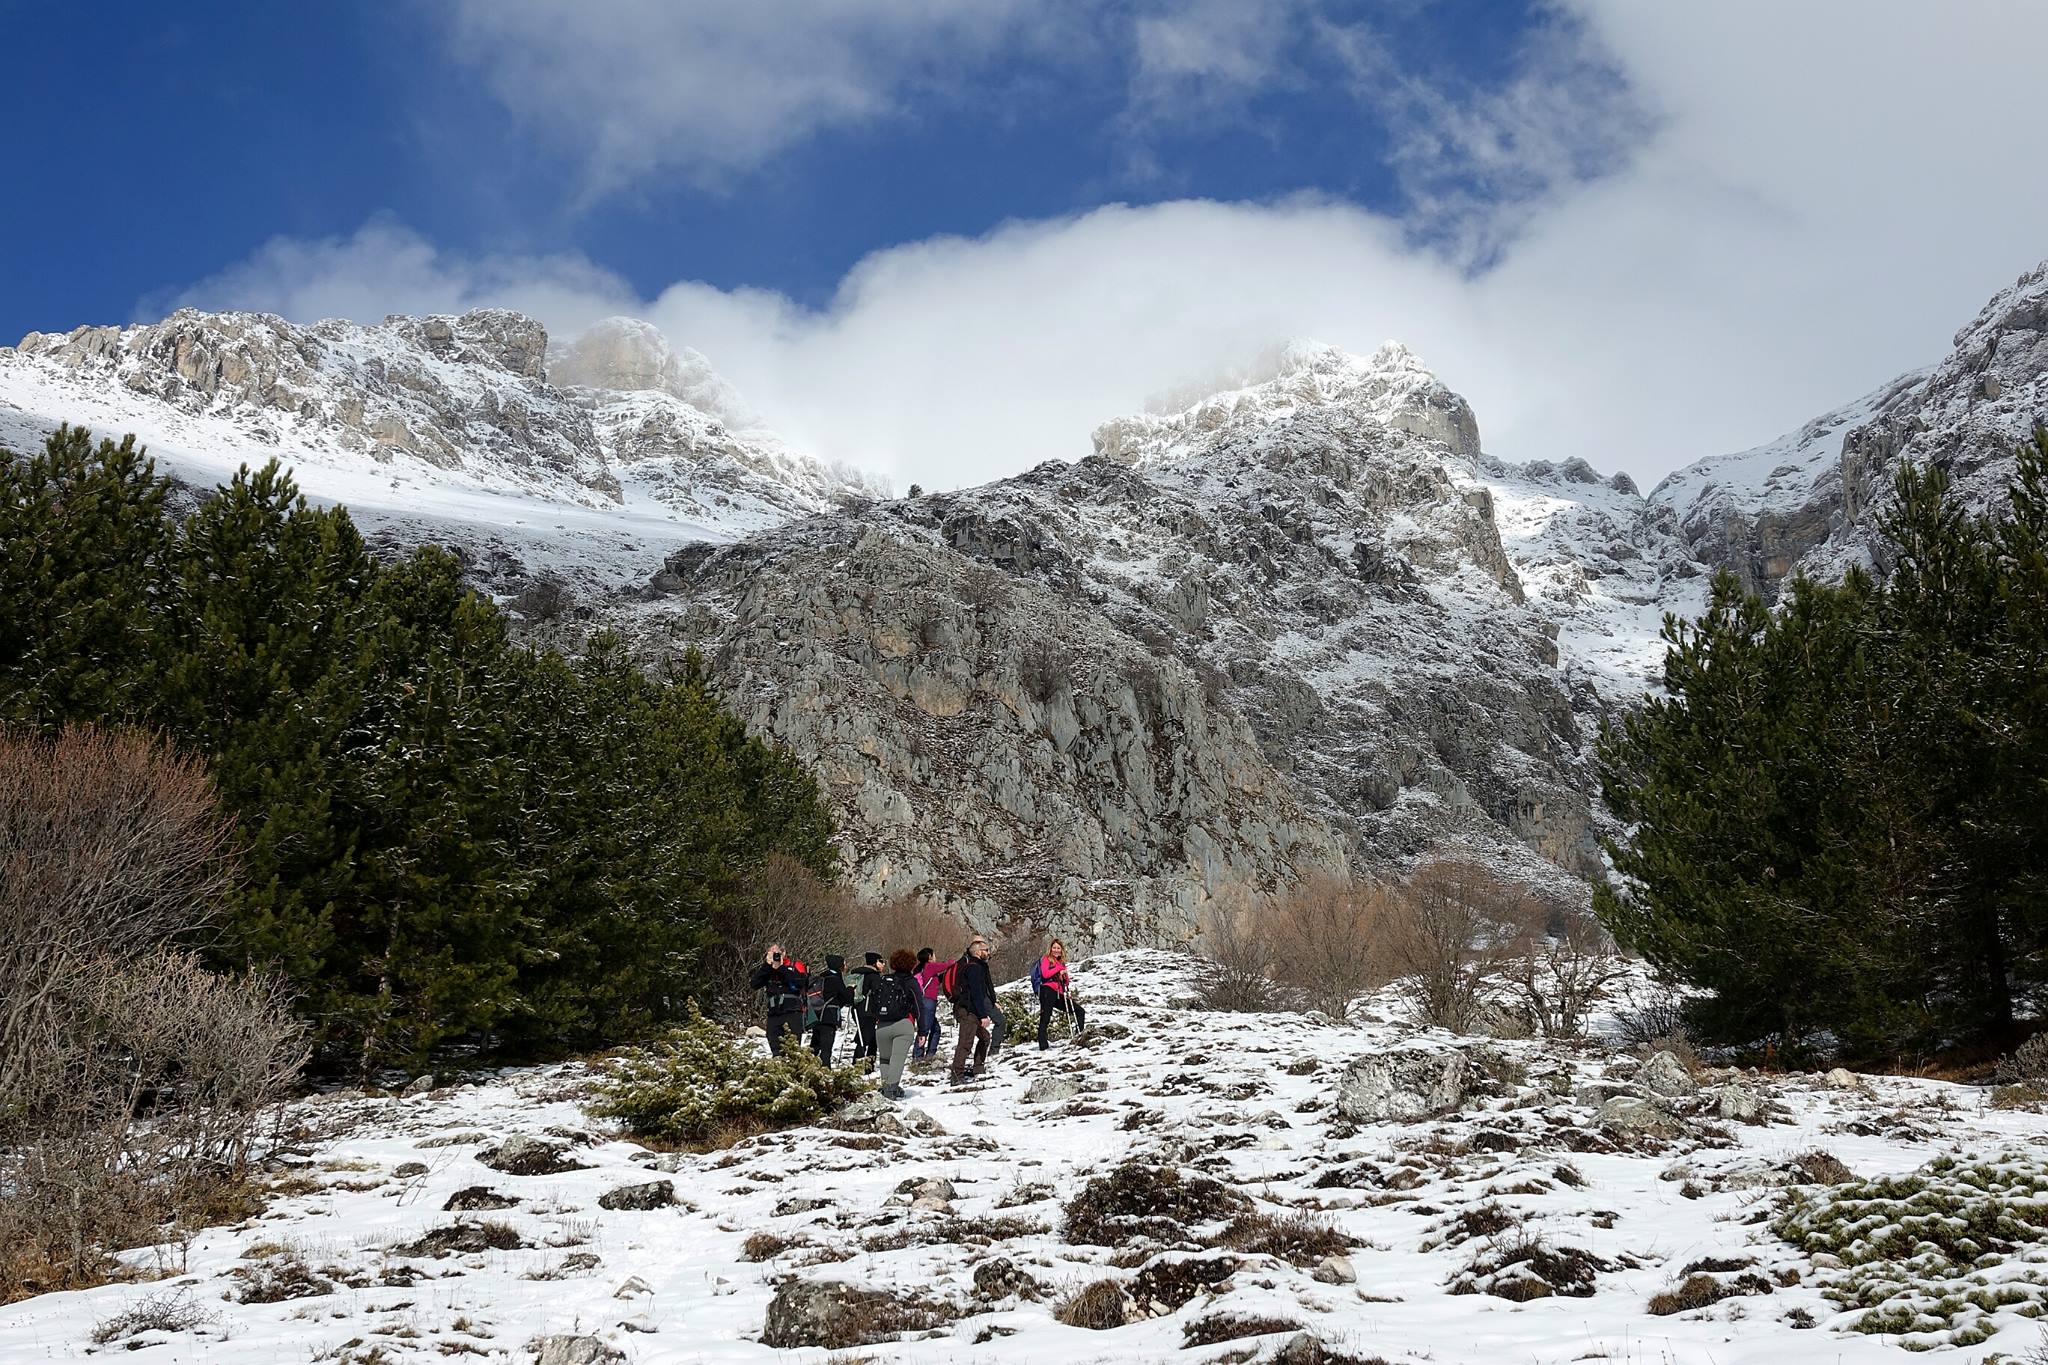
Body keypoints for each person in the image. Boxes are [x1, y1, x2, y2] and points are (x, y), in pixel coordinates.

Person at [872, 948, 923, 1100]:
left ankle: (886, 1088)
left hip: (882, 1026)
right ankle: (891, 1090)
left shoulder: (884, 980)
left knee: (885, 1059)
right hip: (904, 1024)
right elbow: (919, 1006)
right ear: (911, 964)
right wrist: (922, 1030)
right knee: (898, 1059)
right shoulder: (911, 982)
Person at [947, 935, 999, 1085]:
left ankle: (978, 1068)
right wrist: (983, 1015)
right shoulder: (974, 968)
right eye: (986, 950)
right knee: (965, 1042)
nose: (988, 953)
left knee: (984, 1038)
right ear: (978, 952)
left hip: (971, 1010)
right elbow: (976, 993)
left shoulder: (976, 967)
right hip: (968, 1010)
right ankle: (957, 1076)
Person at [748, 944, 808, 1057]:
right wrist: (767, 965)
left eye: (777, 953)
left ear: (783, 953)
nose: (775, 956)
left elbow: (800, 982)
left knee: (793, 1049)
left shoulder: (795, 965)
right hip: (774, 1013)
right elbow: (754, 984)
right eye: (771, 953)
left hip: (792, 1011)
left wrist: (780, 967)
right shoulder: (768, 969)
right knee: (775, 1047)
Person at [1036, 938, 1087, 1048]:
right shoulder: (1046, 959)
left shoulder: (1061, 963)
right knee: (1045, 1017)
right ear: (1050, 949)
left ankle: (1079, 1036)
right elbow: (1045, 974)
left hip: (1058, 993)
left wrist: (1063, 975)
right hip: (1047, 991)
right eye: (1054, 948)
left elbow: (1066, 981)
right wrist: (1059, 968)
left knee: (1079, 1011)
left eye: (1058, 948)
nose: (1056, 950)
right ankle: (1043, 1046)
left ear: (1061, 950)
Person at [808, 954, 855, 1065]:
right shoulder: (836, 980)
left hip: (817, 1015)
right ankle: (825, 1070)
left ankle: (807, 1068)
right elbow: (847, 999)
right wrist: (850, 990)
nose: (845, 966)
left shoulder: (822, 977)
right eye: (844, 963)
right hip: (829, 1018)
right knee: (826, 1048)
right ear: (839, 966)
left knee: (815, 1046)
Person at [849, 951, 883, 1066]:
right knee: (866, 1038)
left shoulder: (859, 974)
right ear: (875, 963)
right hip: (869, 1011)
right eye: (881, 961)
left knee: (868, 1036)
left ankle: (866, 1064)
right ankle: (860, 1065)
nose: (883, 964)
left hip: (857, 1009)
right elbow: (879, 994)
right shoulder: (874, 976)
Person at [913, 947, 946, 1059]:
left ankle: (928, 1054)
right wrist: (956, 962)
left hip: (922, 1001)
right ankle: (918, 1056)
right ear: (930, 957)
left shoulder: (919, 969)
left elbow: (933, 981)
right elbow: (947, 965)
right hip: (928, 1001)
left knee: (934, 1028)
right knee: (924, 1030)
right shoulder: (930, 967)